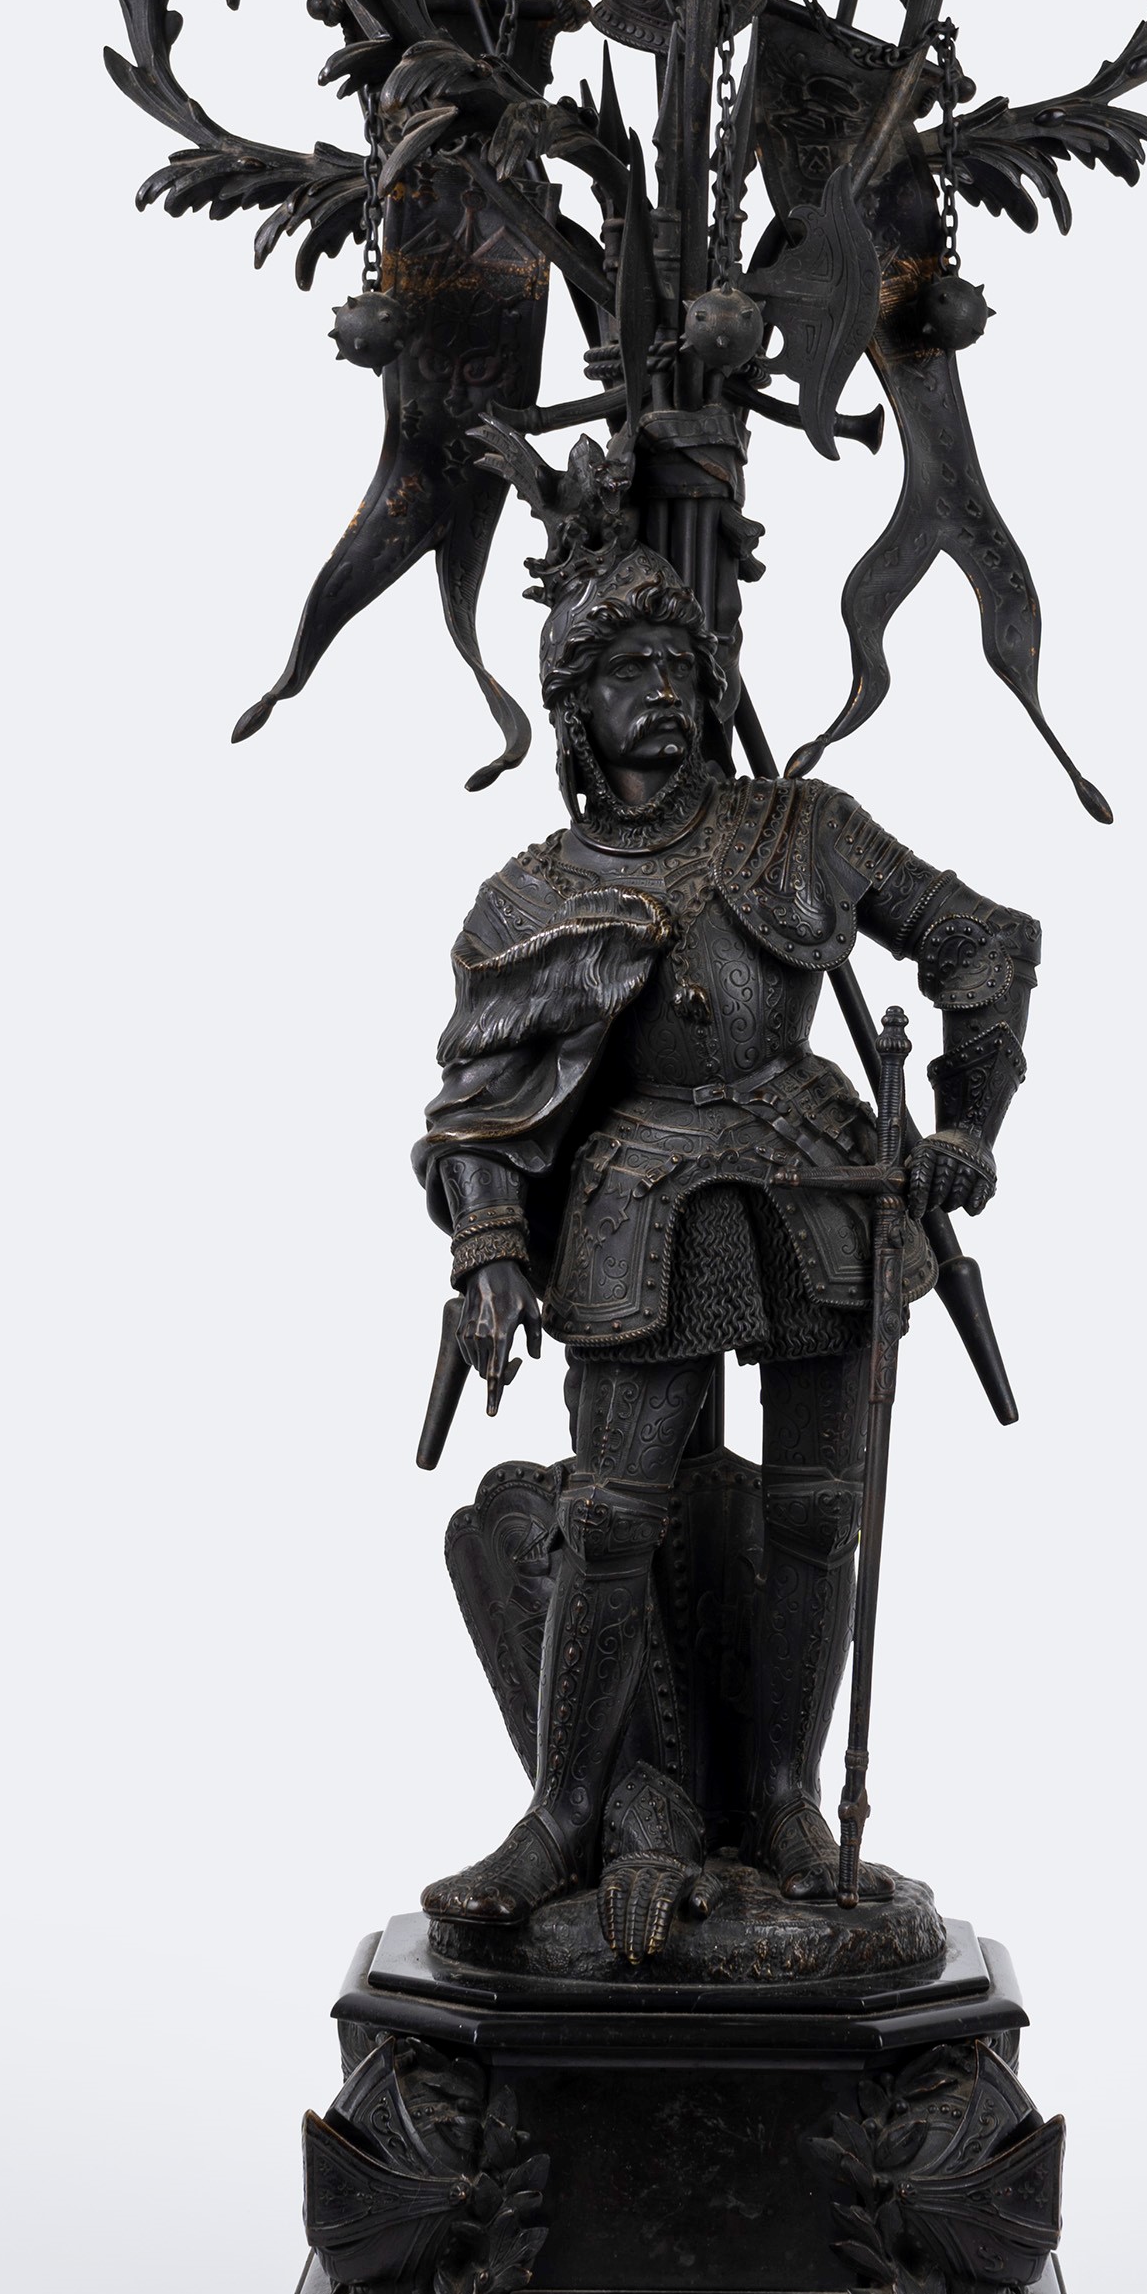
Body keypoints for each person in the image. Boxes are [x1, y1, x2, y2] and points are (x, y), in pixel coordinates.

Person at [414, 541, 1039, 1930]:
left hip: (820, 1176)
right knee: (609, 1515)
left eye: (677, 665)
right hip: (637, 1199)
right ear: (571, 705)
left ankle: (784, 1796)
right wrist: (490, 1251)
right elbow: (475, 1107)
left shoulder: (799, 831)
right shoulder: (529, 894)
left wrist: (968, 1124)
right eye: (623, 670)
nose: (659, 690)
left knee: (819, 1508)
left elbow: (982, 941)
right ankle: (564, 1819)